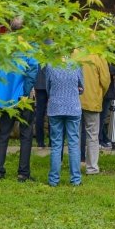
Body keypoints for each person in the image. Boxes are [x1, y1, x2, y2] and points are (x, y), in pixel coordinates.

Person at [0, 19, 38, 181]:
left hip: (4, 97)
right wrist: (25, 92)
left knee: (3, 133)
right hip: (23, 96)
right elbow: (33, 69)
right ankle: (23, 173)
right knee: (26, 134)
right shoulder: (28, 47)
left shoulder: (3, 47)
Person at [46, 58, 84, 187]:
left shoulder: (50, 65)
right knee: (73, 143)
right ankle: (76, 179)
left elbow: (47, 87)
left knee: (56, 144)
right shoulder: (76, 64)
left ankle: (53, 179)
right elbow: (82, 87)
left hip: (55, 107)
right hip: (73, 107)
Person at [78, 51, 110, 175]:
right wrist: (100, 93)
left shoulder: (75, 54)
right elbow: (105, 80)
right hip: (92, 100)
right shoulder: (99, 55)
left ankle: (75, 167)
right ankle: (92, 168)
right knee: (92, 135)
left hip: (75, 100)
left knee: (75, 135)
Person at [33, 64, 49, 147]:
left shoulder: (37, 52)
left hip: (39, 83)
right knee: (52, 112)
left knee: (40, 113)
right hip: (50, 83)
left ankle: (40, 142)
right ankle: (53, 141)